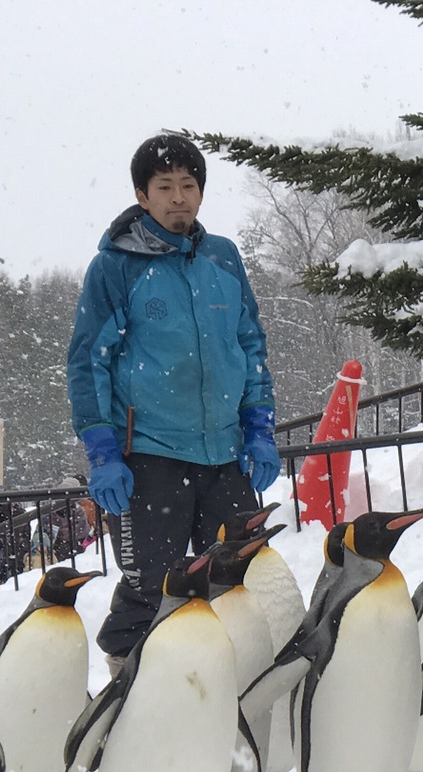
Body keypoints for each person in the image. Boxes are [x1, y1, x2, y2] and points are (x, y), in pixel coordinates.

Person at [67, 131, 276, 659]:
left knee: (237, 582)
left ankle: (228, 698)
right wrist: (103, 453)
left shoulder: (224, 259)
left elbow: (248, 346)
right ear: (142, 196)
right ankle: (127, 704)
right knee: (149, 592)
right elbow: (88, 360)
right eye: (165, 186)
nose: (179, 196)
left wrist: (260, 428)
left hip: (225, 456)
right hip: (151, 458)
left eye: (189, 184)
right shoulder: (116, 266)